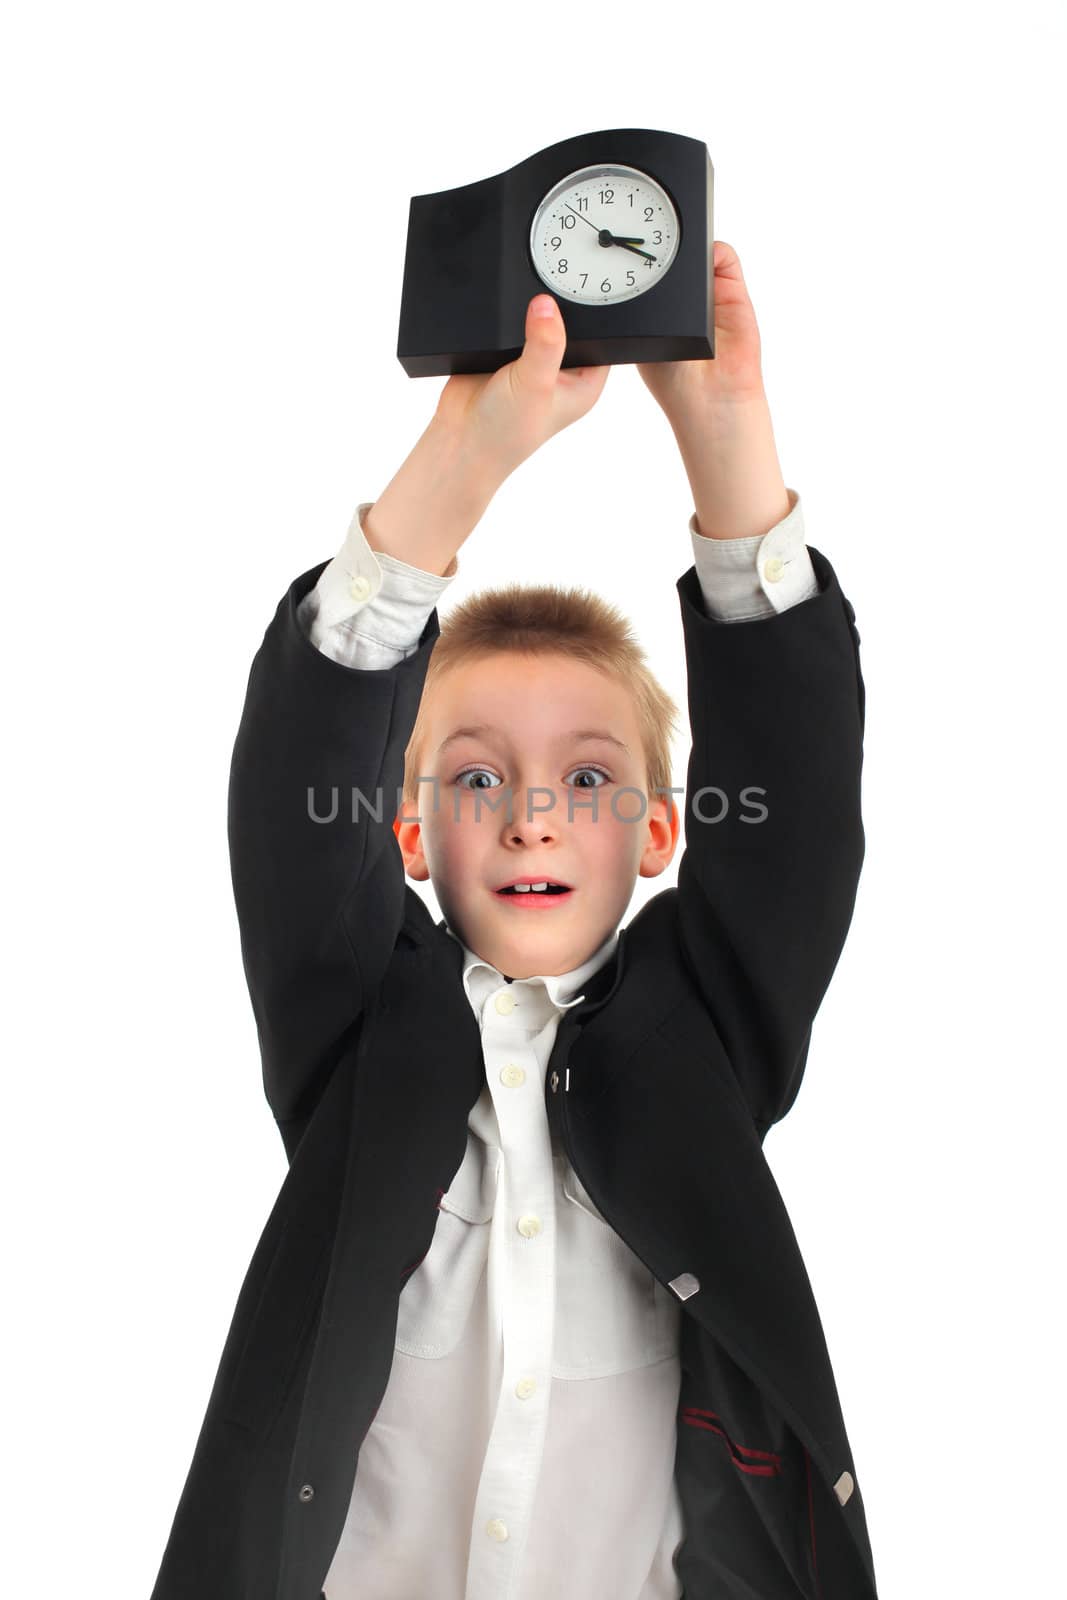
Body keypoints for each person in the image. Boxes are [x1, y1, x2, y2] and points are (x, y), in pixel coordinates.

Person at [150, 243, 878, 1599]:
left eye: (589, 779)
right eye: (478, 776)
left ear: (663, 832)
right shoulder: (364, 1031)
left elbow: (800, 817)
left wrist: (728, 449)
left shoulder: (700, 1040)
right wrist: (461, 460)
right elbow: (288, 794)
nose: (535, 816)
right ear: (405, 828)